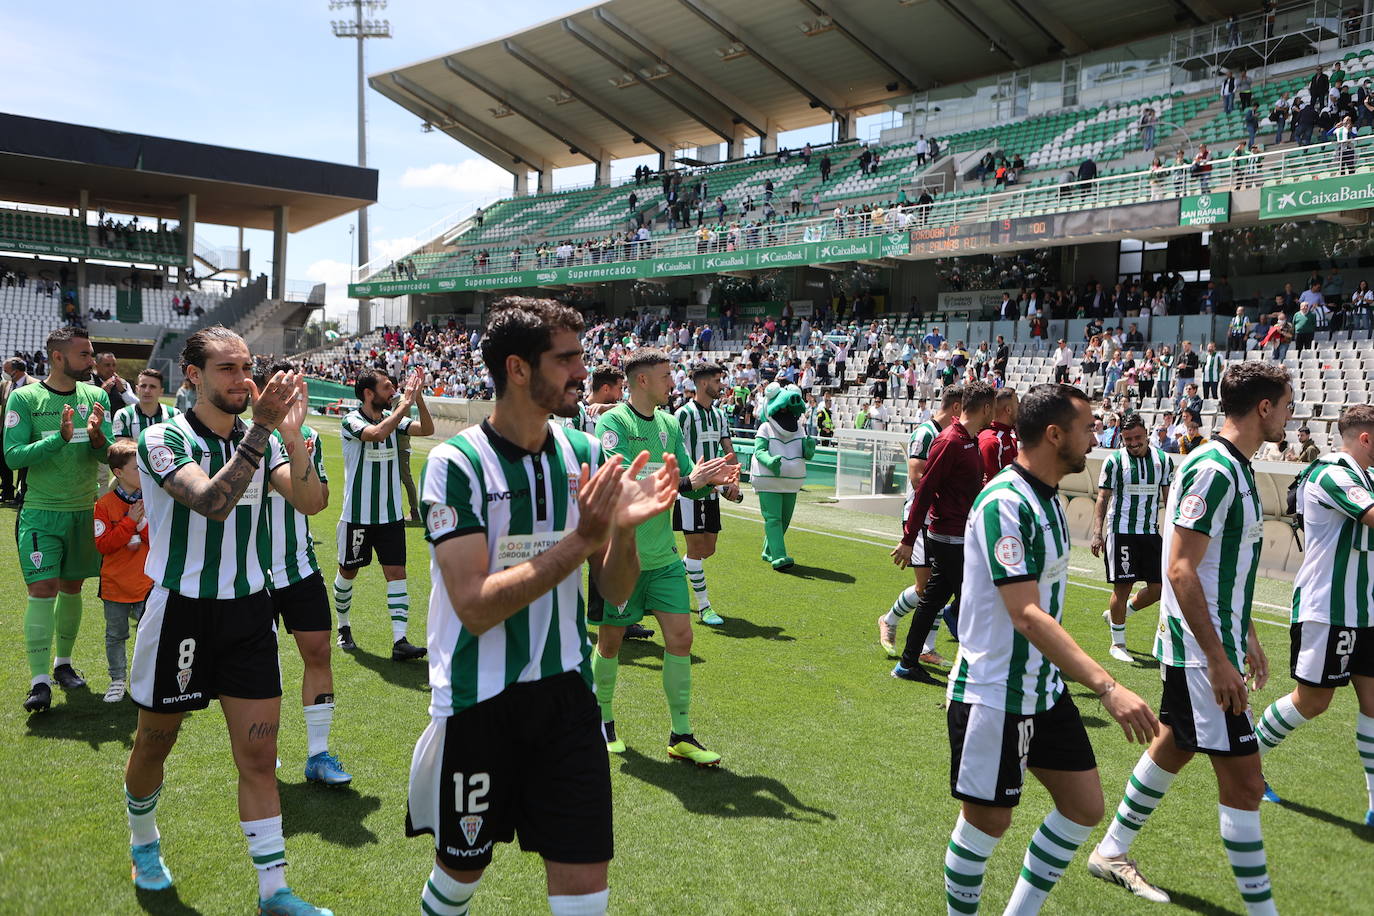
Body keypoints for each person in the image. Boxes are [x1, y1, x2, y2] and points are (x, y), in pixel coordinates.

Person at [406, 299, 673, 916]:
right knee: (458, 877)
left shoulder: (581, 451)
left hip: (567, 701)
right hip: (479, 705)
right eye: (567, 359)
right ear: (519, 369)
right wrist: (582, 539)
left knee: (585, 894)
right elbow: (473, 607)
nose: (583, 371)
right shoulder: (456, 464)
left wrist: (624, 531)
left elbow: (612, 594)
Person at [124, 327, 330, 913]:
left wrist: (294, 440)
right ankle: (144, 840)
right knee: (154, 746)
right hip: (180, 615)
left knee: (260, 756)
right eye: (227, 369)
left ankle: (275, 891)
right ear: (192, 376)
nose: (244, 380)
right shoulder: (162, 438)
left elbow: (311, 502)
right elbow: (211, 503)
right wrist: (265, 432)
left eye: (248, 367)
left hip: (248, 613)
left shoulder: (256, 440)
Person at [941, 383, 1159, 916]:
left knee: (1084, 807)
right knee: (988, 823)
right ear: (1055, 433)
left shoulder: (1049, 498)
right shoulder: (1005, 502)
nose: (1095, 438)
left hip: (1044, 688)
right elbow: (1026, 614)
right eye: (1088, 428)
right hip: (995, 693)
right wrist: (1107, 687)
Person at [1089, 362, 1291, 914]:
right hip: (1201, 655)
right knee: (1247, 785)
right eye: (1287, 405)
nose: (1292, 416)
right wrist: (1218, 656)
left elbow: (1222, 566)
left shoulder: (1239, 467)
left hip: (1212, 645)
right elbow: (1178, 569)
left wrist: (1245, 632)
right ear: (1264, 408)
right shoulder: (1213, 468)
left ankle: (1111, 850)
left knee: (1177, 742)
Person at [592, 349, 737, 764]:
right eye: (665, 375)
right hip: (619, 559)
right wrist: (689, 480)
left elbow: (687, 483)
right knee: (610, 644)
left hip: (663, 559)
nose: (672, 382)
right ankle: (602, 721)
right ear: (641, 381)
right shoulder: (613, 423)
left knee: (682, 638)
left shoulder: (670, 425)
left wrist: (718, 483)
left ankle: (681, 734)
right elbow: (619, 489)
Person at [1253, 405, 1374, 826]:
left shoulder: (1367, 475)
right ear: (1365, 438)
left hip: (1367, 610)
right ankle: (1249, 765)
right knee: (1313, 701)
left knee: (1373, 703)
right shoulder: (1332, 472)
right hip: (1329, 608)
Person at [6, 326, 112, 712]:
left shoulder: (97, 396)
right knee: (43, 589)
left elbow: (107, 455)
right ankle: (38, 683)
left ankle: (62, 665)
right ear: (58, 357)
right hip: (41, 513)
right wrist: (59, 439)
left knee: (71, 588)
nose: (91, 361)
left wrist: (100, 438)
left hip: (84, 512)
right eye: (84, 354)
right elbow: (12, 455)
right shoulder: (25, 398)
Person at [256, 360, 350, 786]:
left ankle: (318, 755)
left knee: (319, 654)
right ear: (260, 392)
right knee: (260, 666)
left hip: (299, 567)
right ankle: (263, 753)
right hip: (250, 573)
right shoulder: (242, 436)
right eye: (280, 389)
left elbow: (319, 498)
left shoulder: (308, 436)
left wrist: (294, 438)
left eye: (295, 390)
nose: (290, 397)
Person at [890, 381, 996, 681]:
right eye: (994, 409)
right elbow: (925, 491)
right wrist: (909, 539)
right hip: (950, 538)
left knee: (934, 600)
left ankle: (908, 663)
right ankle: (977, 671)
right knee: (972, 601)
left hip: (959, 535)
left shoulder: (969, 439)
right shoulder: (949, 441)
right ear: (986, 408)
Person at [332, 369, 435, 659]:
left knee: (397, 574)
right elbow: (377, 434)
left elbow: (427, 429)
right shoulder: (351, 420)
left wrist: (420, 397)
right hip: (357, 516)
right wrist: (404, 404)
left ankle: (400, 641)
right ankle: (343, 626)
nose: (393, 391)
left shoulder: (395, 421)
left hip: (390, 516)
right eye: (387, 387)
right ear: (368, 393)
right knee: (347, 572)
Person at [880, 385, 962, 662]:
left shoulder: (949, 434)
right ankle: (889, 620)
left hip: (938, 519)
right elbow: (917, 476)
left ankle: (927, 648)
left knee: (938, 586)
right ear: (956, 408)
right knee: (925, 587)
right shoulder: (926, 433)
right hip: (922, 516)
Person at [1091, 415, 1173, 664]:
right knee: (1123, 587)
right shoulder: (1114, 461)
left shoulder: (1163, 460)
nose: (1133, 443)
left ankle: (1120, 613)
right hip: (1121, 532)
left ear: (1146, 434)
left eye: (1137, 437)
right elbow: (1103, 498)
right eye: (1128, 439)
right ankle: (1118, 643)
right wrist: (1097, 532)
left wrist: (1173, 533)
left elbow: (1169, 499)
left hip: (1149, 532)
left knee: (1159, 589)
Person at [673, 363, 741, 626]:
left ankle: (672, 573)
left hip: (713, 491)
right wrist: (694, 480)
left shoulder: (719, 415)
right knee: (696, 549)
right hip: (691, 492)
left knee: (707, 550)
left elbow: (727, 447)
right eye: (717, 380)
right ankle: (704, 608)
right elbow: (676, 452)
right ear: (703, 384)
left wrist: (734, 480)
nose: (721, 384)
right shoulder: (683, 414)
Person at [94, 438, 152, 703]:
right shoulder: (104, 505)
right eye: (137, 468)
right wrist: (130, 522)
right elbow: (104, 545)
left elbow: (162, 538)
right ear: (118, 473)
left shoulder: (153, 498)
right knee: (116, 635)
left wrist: (142, 527)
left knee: (149, 635)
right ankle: (117, 680)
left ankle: (147, 680)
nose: (144, 471)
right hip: (115, 584)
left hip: (147, 583)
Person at [0, 357, 34, 503]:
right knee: (2, 460)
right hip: (6, 430)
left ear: (16, 371)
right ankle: (7, 490)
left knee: (24, 464)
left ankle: (22, 494)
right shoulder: (5, 384)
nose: (4, 373)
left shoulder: (34, 384)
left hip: (27, 431)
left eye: (6, 370)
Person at [113, 368, 179, 440]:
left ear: (161, 391)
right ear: (137, 389)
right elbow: (121, 446)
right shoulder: (124, 415)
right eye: (143, 386)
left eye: (152, 387)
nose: (147, 391)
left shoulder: (174, 415)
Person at [978, 388, 1019, 483]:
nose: (1020, 406)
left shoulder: (1011, 433)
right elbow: (990, 485)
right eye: (1017, 403)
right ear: (1008, 410)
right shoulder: (991, 441)